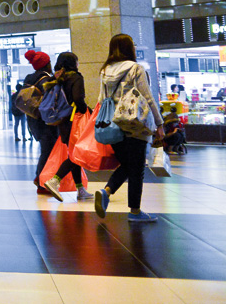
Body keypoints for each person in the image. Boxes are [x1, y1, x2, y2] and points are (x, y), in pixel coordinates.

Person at [94, 34, 164, 223]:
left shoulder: (105, 70)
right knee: (137, 168)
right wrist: (159, 123)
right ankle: (134, 211)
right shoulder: (135, 68)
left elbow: (101, 99)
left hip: (113, 125)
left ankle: (106, 191)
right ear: (129, 48)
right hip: (135, 123)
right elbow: (147, 97)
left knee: (127, 164)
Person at [41, 52, 91, 202]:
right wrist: (86, 110)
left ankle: (80, 189)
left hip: (62, 122)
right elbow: (78, 98)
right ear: (73, 63)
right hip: (74, 121)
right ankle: (54, 181)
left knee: (73, 154)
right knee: (75, 156)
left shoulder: (57, 78)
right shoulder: (76, 77)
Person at [22, 50, 56, 193]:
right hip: (45, 120)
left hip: (33, 119)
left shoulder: (29, 78)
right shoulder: (46, 79)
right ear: (47, 64)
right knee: (47, 151)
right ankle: (41, 182)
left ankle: (40, 179)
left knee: (45, 150)